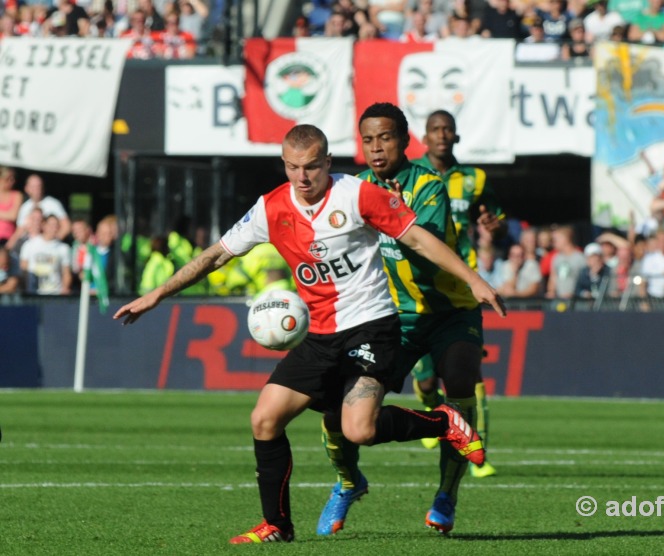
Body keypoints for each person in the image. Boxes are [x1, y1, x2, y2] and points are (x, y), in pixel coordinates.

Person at [114, 124, 504, 544]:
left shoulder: (357, 194)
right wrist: (156, 294)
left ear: (328, 163)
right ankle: (277, 525)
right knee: (264, 419)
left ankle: (443, 421)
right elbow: (215, 256)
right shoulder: (271, 208)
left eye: (312, 167)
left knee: (360, 430)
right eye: (294, 167)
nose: (303, 177)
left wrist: (474, 279)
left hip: (371, 327)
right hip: (319, 336)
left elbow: (421, 240)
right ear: (284, 164)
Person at [316, 103, 502, 537]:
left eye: (385, 138)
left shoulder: (429, 186)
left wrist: (395, 216)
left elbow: (427, 243)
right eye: (368, 140)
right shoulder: (354, 188)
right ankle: (347, 481)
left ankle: (446, 495)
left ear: (403, 141)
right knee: (338, 405)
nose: (376, 148)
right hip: (387, 317)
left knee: (459, 380)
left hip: (450, 311)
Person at [406, 108, 507, 477]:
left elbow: (496, 220)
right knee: (427, 379)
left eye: (449, 129)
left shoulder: (474, 178)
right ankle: (430, 406)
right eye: (436, 129)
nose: (443, 135)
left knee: (469, 374)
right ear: (425, 136)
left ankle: (476, 450)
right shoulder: (409, 175)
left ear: (457, 136)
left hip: (463, 285)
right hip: (418, 286)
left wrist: (494, 228)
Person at [19, 214, 72, 295]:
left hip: (55, 294)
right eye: (51, 225)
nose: (54, 228)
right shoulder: (29, 245)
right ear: (44, 226)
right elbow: (23, 269)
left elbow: (66, 273)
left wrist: (65, 289)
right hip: (33, 293)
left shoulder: (63, 248)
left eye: (57, 226)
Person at [15, 174, 71, 241]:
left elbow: (67, 226)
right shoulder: (24, 207)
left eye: (39, 186)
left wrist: (53, 242)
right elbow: (19, 231)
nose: (37, 189)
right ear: (27, 188)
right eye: (34, 186)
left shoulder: (53, 204)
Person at [0, 167, 22, 247]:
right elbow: (9, 214)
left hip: (7, 238)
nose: (12, 181)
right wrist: (6, 214)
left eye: (13, 178)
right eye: (8, 178)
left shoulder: (16, 195)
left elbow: (13, 216)